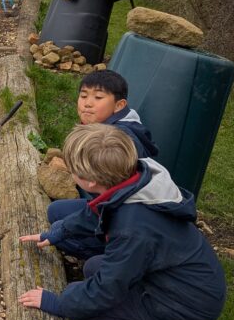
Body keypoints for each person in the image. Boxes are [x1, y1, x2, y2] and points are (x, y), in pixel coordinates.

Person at [18, 124, 226, 320]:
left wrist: (59, 303)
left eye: (72, 170)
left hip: (186, 303)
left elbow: (105, 292)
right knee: (94, 267)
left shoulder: (133, 228)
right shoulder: (137, 181)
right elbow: (97, 210)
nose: (69, 173)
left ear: (90, 181)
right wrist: (59, 232)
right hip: (194, 287)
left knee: (90, 306)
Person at [48, 69, 159, 253]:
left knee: (60, 233)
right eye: (83, 96)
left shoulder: (119, 141)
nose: (87, 104)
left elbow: (120, 197)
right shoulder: (102, 127)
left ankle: (108, 254)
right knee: (56, 212)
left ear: (119, 105)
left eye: (98, 98)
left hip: (127, 218)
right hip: (105, 204)